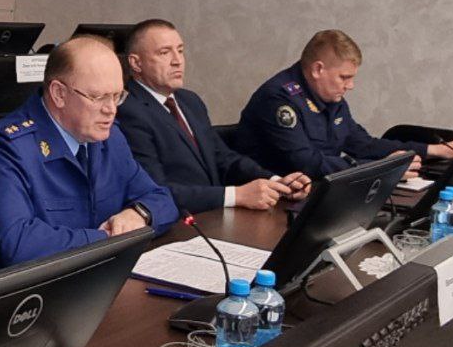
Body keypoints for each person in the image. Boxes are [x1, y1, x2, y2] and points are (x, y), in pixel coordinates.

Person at [0, 36, 178, 277]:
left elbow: (162, 199)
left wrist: (138, 214)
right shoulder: (4, 149)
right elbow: (16, 246)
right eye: (98, 97)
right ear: (59, 93)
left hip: (90, 278)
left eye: (116, 96)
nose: (111, 109)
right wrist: (108, 239)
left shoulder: (109, 137)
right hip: (21, 292)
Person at [116, 19, 310, 213]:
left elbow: (223, 158)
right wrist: (237, 195)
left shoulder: (190, 100)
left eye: (180, 51)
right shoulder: (127, 111)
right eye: (164, 53)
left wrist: (276, 182)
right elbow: (156, 189)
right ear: (136, 63)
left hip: (214, 215)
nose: (177, 61)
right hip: (177, 221)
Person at [235, 29, 453, 180]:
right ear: (318, 69)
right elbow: (307, 164)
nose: (351, 86)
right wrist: (382, 169)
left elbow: (362, 144)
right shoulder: (279, 100)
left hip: (317, 193)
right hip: (273, 202)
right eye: (344, 77)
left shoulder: (328, 97)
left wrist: (433, 150)